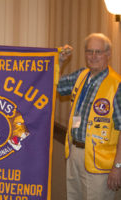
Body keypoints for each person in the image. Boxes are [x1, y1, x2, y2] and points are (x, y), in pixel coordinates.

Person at [58, 33, 121, 200]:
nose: (93, 56)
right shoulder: (81, 75)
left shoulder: (117, 85)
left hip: (100, 163)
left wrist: (118, 166)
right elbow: (55, 85)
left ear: (108, 54)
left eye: (98, 52)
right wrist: (60, 62)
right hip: (74, 154)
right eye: (89, 51)